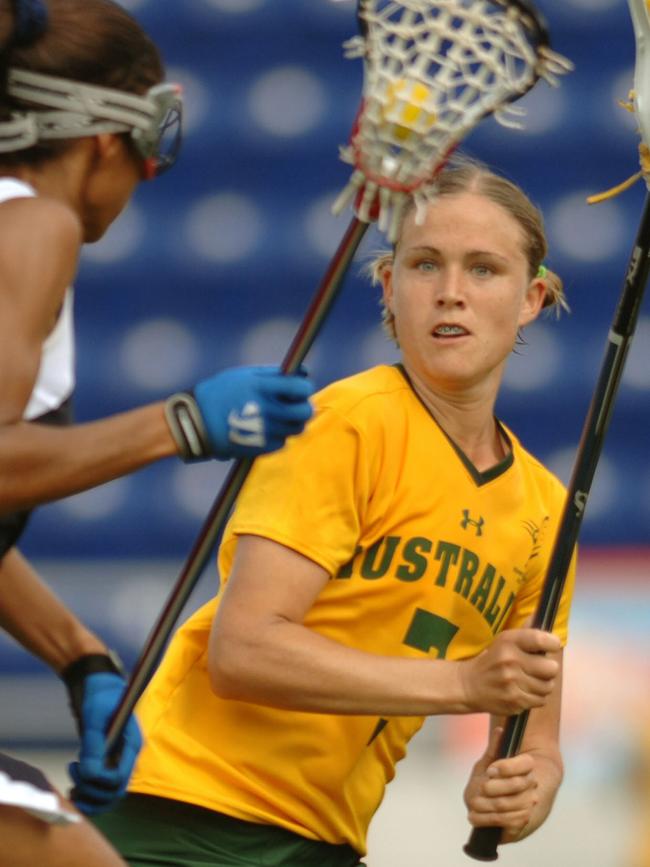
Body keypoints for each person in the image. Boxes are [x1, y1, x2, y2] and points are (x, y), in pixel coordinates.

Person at [91, 159, 577, 867]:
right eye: (423, 264)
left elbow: (536, 738)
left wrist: (532, 787)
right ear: (388, 285)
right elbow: (244, 650)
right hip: (180, 812)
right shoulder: (344, 424)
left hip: (324, 837)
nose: (450, 294)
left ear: (531, 297)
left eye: (483, 270)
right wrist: (462, 683)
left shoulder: (545, 507)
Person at [0, 0, 314, 864]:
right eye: (154, 143)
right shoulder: (35, 225)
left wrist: (82, 659)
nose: (148, 177)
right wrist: (182, 423)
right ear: (106, 138)